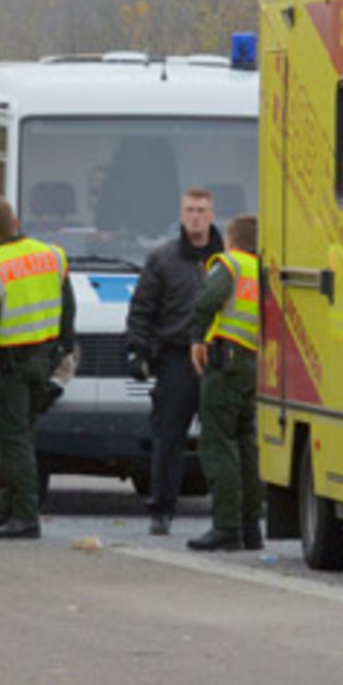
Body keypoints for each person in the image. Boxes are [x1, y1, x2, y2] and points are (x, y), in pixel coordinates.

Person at [0, 197, 75, 540]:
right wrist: (62, 350)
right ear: (15, 222)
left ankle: (25, 515)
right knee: (23, 436)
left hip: (10, 365)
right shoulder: (52, 254)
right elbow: (67, 309)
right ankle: (10, 511)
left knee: (13, 440)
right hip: (42, 361)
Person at [125, 189, 223, 536]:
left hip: (219, 358)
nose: (196, 217)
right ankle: (162, 509)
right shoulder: (163, 259)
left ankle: (228, 513)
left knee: (222, 438)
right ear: (181, 215)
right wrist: (137, 350)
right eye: (190, 210)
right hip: (177, 357)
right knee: (169, 437)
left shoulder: (228, 260)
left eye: (202, 210)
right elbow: (142, 308)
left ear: (212, 215)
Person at [187, 215, 262, 552]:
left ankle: (226, 527)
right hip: (252, 365)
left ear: (231, 241)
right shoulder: (263, 270)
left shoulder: (230, 264)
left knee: (218, 444)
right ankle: (250, 527)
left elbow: (206, 300)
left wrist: (196, 339)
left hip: (225, 363)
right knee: (246, 447)